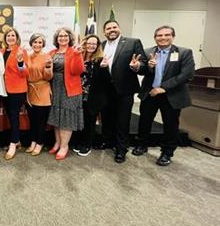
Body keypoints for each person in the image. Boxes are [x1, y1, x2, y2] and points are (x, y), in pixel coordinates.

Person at [132, 26, 195, 166]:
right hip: (150, 94)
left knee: (170, 125)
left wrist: (163, 88)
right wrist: (140, 67)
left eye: (167, 35)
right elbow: (142, 71)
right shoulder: (148, 52)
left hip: (171, 95)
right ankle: (142, 145)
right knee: (144, 121)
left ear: (173, 36)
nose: (163, 38)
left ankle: (167, 153)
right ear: (155, 38)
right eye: (159, 35)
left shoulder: (183, 53)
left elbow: (187, 75)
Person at [100, 20, 146, 163]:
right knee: (106, 118)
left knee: (122, 121)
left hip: (124, 90)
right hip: (105, 90)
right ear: (104, 32)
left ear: (119, 28)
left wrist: (137, 66)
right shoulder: (101, 45)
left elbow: (144, 64)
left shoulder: (132, 42)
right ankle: (107, 142)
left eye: (114, 27)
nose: (111, 30)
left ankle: (121, 149)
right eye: (108, 28)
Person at [47, 27, 84, 160]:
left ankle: (64, 146)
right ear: (56, 39)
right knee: (57, 117)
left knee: (66, 119)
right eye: (60, 36)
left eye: (65, 36)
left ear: (69, 38)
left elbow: (77, 70)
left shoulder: (74, 51)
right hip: (55, 88)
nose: (62, 38)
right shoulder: (52, 52)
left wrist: (77, 54)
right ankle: (57, 143)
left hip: (70, 90)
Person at [73, 34, 111, 157]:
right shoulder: (79, 57)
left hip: (93, 97)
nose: (91, 46)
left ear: (97, 46)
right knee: (80, 121)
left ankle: (87, 145)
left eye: (94, 44)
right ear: (85, 43)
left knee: (90, 122)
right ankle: (79, 142)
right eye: (89, 43)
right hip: (78, 95)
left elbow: (107, 81)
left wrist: (104, 68)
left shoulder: (100, 60)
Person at [2, 27, 29, 160]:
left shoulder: (21, 51)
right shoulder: (1, 51)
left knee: (13, 117)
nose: (10, 38)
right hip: (3, 90)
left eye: (13, 35)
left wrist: (20, 62)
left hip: (17, 90)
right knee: (9, 116)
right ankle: (16, 140)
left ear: (16, 37)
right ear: (5, 38)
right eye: (8, 36)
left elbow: (25, 73)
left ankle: (13, 144)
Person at [25, 33, 53, 156]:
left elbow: (49, 76)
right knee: (33, 119)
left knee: (41, 120)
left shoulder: (47, 57)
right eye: (35, 42)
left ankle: (40, 143)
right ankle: (33, 141)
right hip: (30, 90)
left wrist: (48, 67)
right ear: (31, 43)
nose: (37, 44)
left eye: (40, 42)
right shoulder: (28, 56)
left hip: (43, 90)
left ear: (43, 44)